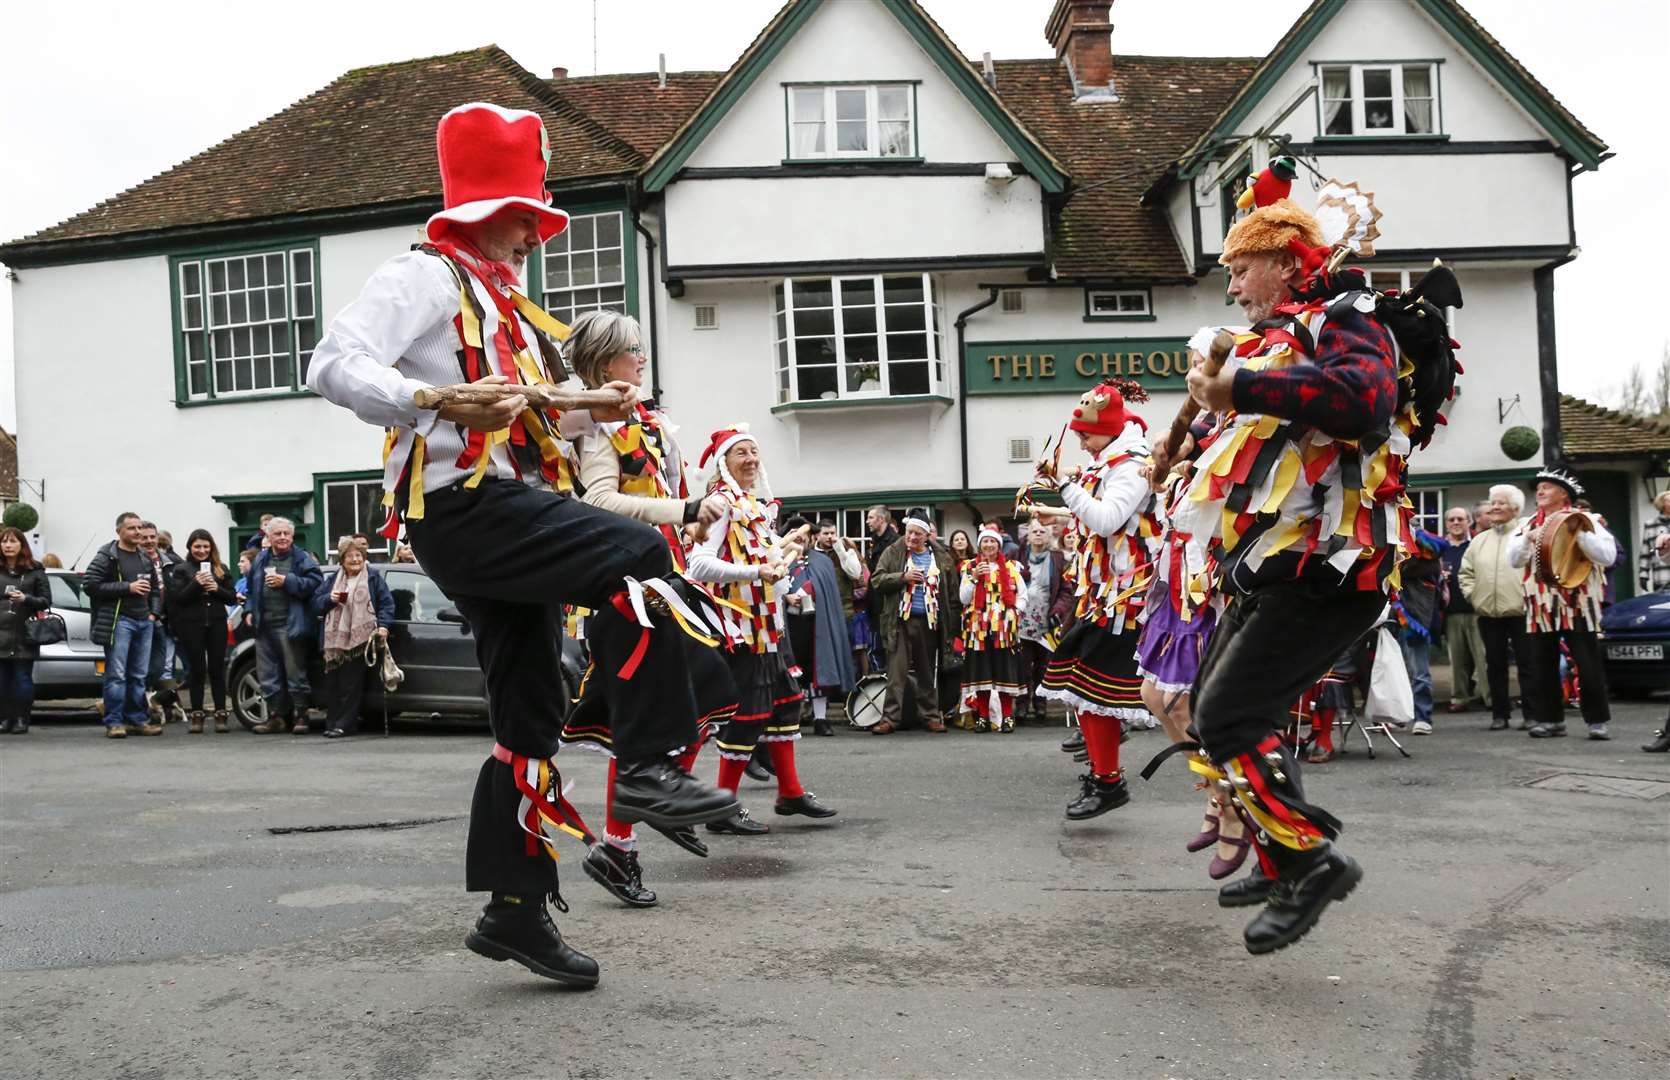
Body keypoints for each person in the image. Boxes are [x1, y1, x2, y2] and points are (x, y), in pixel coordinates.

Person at [306, 101, 735, 986]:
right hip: (461, 507)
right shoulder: (422, 278)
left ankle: (514, 911)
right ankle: (650, 760)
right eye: (525, 219)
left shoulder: (505, 302)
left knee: (527, 722)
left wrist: (591, 407)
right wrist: (434, 402)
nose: (535, 236)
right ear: (482, 212)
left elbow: (521, 414)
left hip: (497, 507)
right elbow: (332, 364)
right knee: (638, 554)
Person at [1165, 163, 1456, 954]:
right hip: (1284, 568)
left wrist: (1245, 391)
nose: (1231, 287)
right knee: (1207, 714)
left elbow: (1363, 406)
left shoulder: (1346, 313)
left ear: (1287, 258)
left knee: (1227, 718)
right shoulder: (1288, 332)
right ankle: (1275, 849)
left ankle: (1310, 861)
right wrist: (1211, 417)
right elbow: (1257, 440)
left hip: (1335, 569)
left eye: (1239, 267)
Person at [557, 308, 738, 905]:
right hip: (625, 587)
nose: (642, 356)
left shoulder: (648, 421)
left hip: (661, 579)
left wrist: (693, 512)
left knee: (700, 690)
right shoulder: (597, 423)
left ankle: (645, 813)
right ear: (604, 361)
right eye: (631, 348)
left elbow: (660, 494)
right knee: (639, 719)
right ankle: (623, 838)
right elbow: (602, 500)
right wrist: (683, 512)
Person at [686, 425, 836, 831]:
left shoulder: (754, 507)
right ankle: (721, 809)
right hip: (739, 629)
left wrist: (783, 563)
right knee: (747, 715)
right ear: (724, 464)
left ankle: (789, 792)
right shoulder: (719, 503)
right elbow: (696, 565)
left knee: (786, 703)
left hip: (769, 629)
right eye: (741, 453)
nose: (751, 459)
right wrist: (757, 570)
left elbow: (774, 577)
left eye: (754, 451)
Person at [1036, 380, 1157, 820]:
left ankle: (1109, 774)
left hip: (1129, 597)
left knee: (1088, 681)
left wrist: (1064, 487)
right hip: (1105, 593)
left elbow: (1107, 520)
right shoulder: (1112, 460)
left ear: (1107, 428)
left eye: (1085, 435)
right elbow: (1105, 515)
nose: (1081, 443)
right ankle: (1107, 763)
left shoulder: (1131, 465)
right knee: (1081, 680)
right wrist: (1062, 512)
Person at [1506, 470, 1618, 740]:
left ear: (1564, 494)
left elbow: (1608, 556)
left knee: (1587, 663)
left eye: (1547, 487)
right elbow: (1513, 561)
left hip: (1579, 602)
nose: (1540, 491)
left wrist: (1579, 535)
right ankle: (1550, 720)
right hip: (1540, 604)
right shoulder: (1527, 523)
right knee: (1542, 664)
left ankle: (1597, 721)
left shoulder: (1589, 520)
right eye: (1539, 488)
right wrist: (1526, 539)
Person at [869, 510, 960, 735]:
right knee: (896, 673)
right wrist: (902, 577)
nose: (911, 538)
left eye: (917, 534)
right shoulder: (893, 552)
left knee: (927, 672)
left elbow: (952, 595)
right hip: (899, 621)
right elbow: (877, 580)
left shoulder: (941, 557)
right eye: (909, 533)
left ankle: (929, 715)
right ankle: (890, 718)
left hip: (930, 622)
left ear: (927, 535)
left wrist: (951, 625)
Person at [1461, 485, 1537, 730]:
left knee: (1527, 665)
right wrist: (1474, 596)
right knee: (1494, 664)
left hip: (1521, 611)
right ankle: (1500, 714)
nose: (1495, 507)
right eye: (1493, 503)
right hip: (1488, 613)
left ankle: (1531, 714)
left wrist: (1529, 597)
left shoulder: (1525, 536)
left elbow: (1536, 570)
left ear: (1515, 508)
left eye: (1501, 503)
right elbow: (1466, 573)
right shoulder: (1479, 541)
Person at [81, 512, 162, 739]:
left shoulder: (145, 557)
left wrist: (154, 614)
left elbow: (155, 589)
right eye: (131, 528)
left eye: (139, 528)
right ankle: (114, 722)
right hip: (120, 621)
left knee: (138, 675)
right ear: (119, 531)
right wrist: (127, 587)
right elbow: (90, 585)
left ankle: (137, 720)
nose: (137, 532)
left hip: (143, 621)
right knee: (116, 675)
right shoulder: (107, 556)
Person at [242, 517, 324, 734]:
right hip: (264, 626)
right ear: (268, 536)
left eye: (286, 533)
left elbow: (316, 583)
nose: (283, 537)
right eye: (277, 534)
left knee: (295, 673)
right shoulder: (260, 559)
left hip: (290, 626)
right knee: (268, 676)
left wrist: (286, 581)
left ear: (292, 536)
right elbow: (250, 590)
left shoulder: (302, 558)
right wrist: (249, 611)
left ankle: (301, 716)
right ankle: (276, 717)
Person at [311, 536, 394, 739]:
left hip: (360, 640)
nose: (355, 560)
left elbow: (386, 604)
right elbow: (315, 603)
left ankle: (344, 725)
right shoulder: (333, 579)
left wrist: (383, 626)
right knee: (333, 684)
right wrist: (329, 599)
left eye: (358, 555)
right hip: (334, 642)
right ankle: (332, 723)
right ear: (342, 560)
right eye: (350, 556)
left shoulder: (373, 578)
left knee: (351, 685)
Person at [166, 529, 238, 733]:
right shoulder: (182, 569)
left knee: (216, 669)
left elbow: (232, 597)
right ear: (190, 547)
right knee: (197, 670)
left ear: (211, 547)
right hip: (192, 624)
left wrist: (216, 588)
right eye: (197, 546)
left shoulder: (220, 568)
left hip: (216, 622)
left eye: (206, 546)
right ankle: (197, 715)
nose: (202, 550)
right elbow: (179, 598)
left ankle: (221, 713)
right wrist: (196, 583)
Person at [957, 526, 1027, 733]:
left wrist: (1014, 613)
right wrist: (974, 578)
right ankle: (983, 717)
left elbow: (1022, 596)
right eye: (985, 542)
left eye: (993, 542)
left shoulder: (1012, 567)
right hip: (977, 629)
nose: (989, 545)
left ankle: (1007, 717)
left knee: (1005, 671)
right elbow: (963, 598)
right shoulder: (970, 567)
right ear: (979, 545)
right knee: (981, 673)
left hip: (1004, 628)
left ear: (999, 545)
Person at [799, 519, 862, 736]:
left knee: (820, 671)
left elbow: (854, 575)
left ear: (810, 538)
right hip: (791, 626)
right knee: (793, 673)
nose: (800, 542)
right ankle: (792, 715)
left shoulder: (822, 561)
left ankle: (820, 718)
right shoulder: (782, 560)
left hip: (820, 624)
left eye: (804, 538)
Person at [1394, 528, 1445, 735]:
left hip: (1415, 617)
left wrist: (1397, 565)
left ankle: (1423, 716)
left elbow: (1415, 570)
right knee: (1394, 669)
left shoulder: (1427, 554)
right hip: (1390, 614)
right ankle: (1397, 716)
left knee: (1419, 671)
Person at [1016, 520, 1067, 724]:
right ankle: (1021, 705)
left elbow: (1065, 590)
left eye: (1042, 531)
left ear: (1048, 536)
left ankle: (1040, 705)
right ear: (1027, 536)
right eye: (1034, 531)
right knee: (1022, 666)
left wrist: (1059, 610)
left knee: (1043, 666)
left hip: (1047, 619)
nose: (1038, 534)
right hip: (1022, 619)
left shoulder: (1058, 558)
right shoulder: (1019, 556)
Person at [0, 527, 50, 735]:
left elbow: (46, 601)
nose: (8, 545)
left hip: (24, 632)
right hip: (1, 631)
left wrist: (26, 599)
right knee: (2, 680)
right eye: (4, 542)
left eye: (12, 541)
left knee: (22, 678)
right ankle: (3, 719)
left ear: (22, 545)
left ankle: (21, 718)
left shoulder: (35, 570)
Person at [1439, 506, 1488, 714]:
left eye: (1460, 519)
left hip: (1477, 610)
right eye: (1452, 519)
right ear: (1446, 524)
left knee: (1483, 658)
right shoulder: (1440, 548)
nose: (1456, 523)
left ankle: (1491, 698)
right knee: (1457, 661)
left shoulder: (1477, 545)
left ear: (1469, 521)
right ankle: (1459, 698)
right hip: (1451, 613)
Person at [140, 521, 185, 725]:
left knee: (165, 667)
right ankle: (140, 710)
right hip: (143, 619)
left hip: (167, 621)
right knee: (141, 667)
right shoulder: (134, 560)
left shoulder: (170, 562)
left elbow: (175, 592)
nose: (149, 541)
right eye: (145, 537)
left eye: (152, 537)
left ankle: (166, 708)